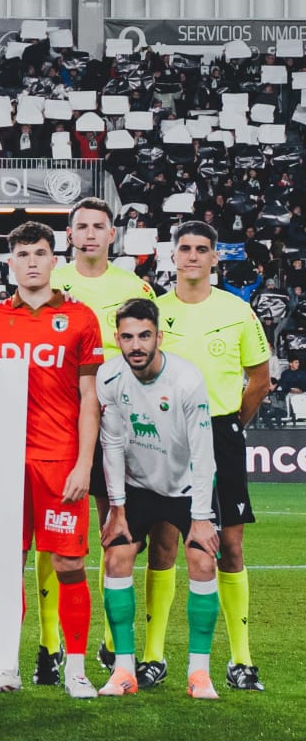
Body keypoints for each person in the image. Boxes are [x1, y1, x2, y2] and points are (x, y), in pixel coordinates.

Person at [0, 222, 104, 699]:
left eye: (40, 253)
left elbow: (91, 397)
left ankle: (76, 669)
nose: (31, 262)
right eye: (23, 254)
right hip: (5, 461)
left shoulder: (82, 318)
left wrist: (84, 463)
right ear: (11, 262)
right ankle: (5, 666)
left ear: (55, 259)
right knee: (7, 566)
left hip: (59, 459)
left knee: (69, 565)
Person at [155, 220, 272, 692]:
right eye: (185, 248)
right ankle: (152, 656)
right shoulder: (154, 312)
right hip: (164, 435)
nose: (193, 257)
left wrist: (229, 428)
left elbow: (259, 379)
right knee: (163, 545)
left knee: (230, 547)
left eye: (202, 249)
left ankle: (241, 660)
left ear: (214, 258)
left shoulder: (239, 311)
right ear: (173, 255)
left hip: (221, 433)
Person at [49, 196, 157, 674]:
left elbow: (149, 353)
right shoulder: (52, 282)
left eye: (99, 226)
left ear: (113, 235)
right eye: (82, 226)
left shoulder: (133, 286)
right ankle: (49, 647)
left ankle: (115, 643)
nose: (90, 233)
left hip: (120, 424)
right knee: (56, 533)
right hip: (58, 425)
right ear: (68, 235)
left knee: (117, 528)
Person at [95, 298, 222, 699]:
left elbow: (204, 453)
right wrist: (117, 508)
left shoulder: (186, 380)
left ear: (158, 337)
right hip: (139, 487)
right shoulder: (110, 377)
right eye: (128, 337)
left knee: (202, 559)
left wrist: (201, 517)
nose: (136, 345)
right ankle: (124, 671)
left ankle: (199, 674)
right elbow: (112, 442)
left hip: (186, 488)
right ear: (117, 339)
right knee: (116, 557)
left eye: (144, 336)